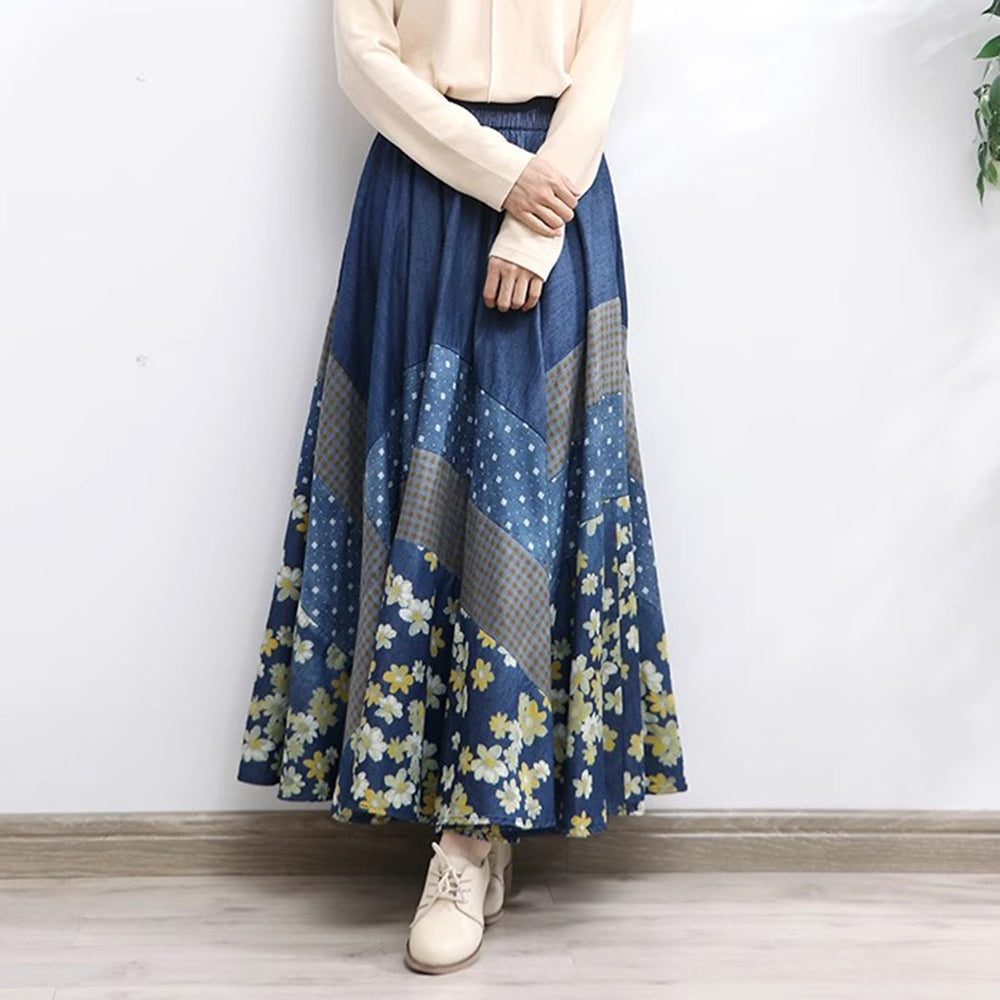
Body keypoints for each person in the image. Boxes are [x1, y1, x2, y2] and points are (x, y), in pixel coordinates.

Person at [236, 0, 688, 975]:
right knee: (424, 489)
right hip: (420, 190)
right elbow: (365, 61)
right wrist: (498, 174)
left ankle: (467, 840)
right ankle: (471, 826)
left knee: (521, 503)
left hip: (556, 202)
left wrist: (531, 221)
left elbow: (600, 64)